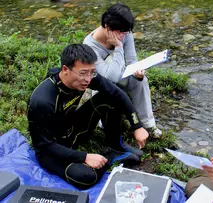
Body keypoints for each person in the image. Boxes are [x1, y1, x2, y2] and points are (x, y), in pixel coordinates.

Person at [27, 44, 149, 189]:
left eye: (92, 72)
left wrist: (137, 125)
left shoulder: (87, 77)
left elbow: (117, 93)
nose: (88, 79)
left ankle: (114, 146)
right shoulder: (42, 101)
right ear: (65, 69)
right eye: (83, 73)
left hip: (72, 128)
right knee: (86, 177)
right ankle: (109, 158)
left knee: (110, 97)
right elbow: (45, 146)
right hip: (53, 150)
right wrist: (84, 157)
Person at [83, 3, 162, 138]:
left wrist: (138, 72)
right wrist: (118, 47)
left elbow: (132, 61)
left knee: (140, 81)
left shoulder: (124, 32)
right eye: (121, 32)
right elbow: (109, 78)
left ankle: (148, 125)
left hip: (120, 74)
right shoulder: (90, 46)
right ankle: (105, 121)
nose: (124, 36)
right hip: (102, 85)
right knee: (109, 65)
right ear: (107, 26)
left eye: (126, 32)